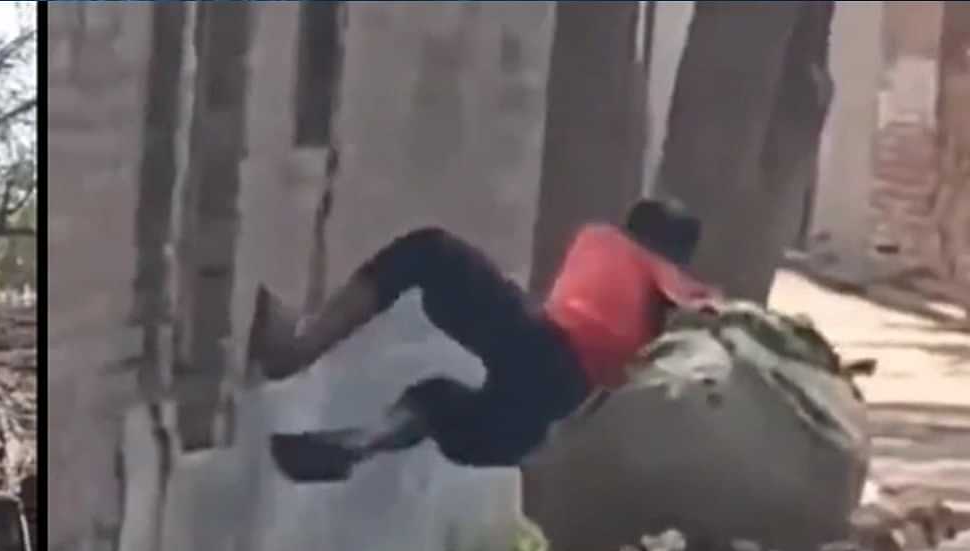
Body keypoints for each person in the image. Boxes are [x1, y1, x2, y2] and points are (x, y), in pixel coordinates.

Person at [256, 197, 719, 483]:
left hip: (545, 351)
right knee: (436, 402)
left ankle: (297, 349)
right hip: (546, 425)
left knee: (427, 251)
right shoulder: (687, 296)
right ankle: (359, 443)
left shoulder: (608, 242)